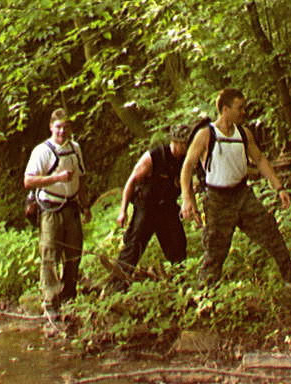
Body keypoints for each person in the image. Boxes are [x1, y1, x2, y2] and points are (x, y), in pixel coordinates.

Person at [180, 88, 291, 289]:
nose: (244, 112)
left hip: (243, 195)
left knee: (271, 233)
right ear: (225, 109)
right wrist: (187, 199)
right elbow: (187, 167)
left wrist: (279, 187)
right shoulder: (206, 135)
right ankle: (205, 297)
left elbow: (261, 160)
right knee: (214, 252)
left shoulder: (244, 134)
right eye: (240, 108)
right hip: (217, 200)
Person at [23, 108, 92, 319]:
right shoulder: (42, 151)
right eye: (58, 127)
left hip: (71, 207)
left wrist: (86, 206)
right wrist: (57, 178)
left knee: (74, 252)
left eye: (65, 127)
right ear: (51, 127)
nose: (61, 131)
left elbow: (80, 179)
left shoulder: (75, 149)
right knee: (50, 253)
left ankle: (70, 296)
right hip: (50, 208)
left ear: (70, 128)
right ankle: (50, 301)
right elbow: (28, 181)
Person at [106, 124, 191, 292]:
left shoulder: (185, 160)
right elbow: (131, 182)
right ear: (175, 141)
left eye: (188, 144)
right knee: (133, 247)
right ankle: (115, 287)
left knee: (178, 245)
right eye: (183, 144)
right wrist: (123, 211)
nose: (186, 148)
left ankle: (181, 285)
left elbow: (188, 185)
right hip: (147, 207)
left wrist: (191, 207)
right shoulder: (153, 157)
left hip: (167, 208)